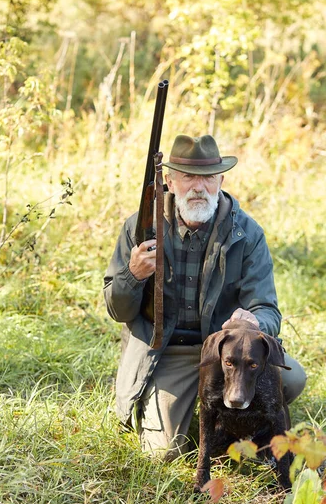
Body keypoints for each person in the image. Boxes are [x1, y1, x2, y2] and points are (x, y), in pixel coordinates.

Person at [103, 134, 306, 460]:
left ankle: (235, 424)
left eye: (208, 177)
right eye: (188, 177)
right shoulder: (139, 228)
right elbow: (118, 310)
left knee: (291, 378)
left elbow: (267, 309)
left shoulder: (247, 233)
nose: (198, 187)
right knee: (164, 454)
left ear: (221, 180)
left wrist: (253, 322)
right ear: (169, 181)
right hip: (167, 349)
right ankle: (185, 413)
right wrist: (133, 275)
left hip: (226, 348)